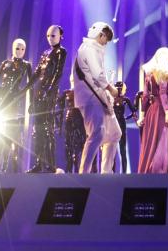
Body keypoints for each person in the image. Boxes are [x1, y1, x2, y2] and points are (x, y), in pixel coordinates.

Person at [72, 21, 120, 173]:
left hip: (98, 97)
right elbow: (97, 74)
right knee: (96, 134)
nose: (106, 43)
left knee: (114, 133)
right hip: (90, 98)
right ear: (101, 35)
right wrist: (111, 89)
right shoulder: (89, 48)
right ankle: (84, 173)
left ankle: (106, 172)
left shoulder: (91, 49)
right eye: (106, 39)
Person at [28, 25, 67, 173]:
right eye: (48, 36)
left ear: (60, 36)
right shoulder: (45, 53)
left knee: (47, 127)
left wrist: (49, 90)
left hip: (49, 94)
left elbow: (58, 73)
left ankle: (51, 165)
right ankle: (39, 163)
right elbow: (37, 72)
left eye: (53, 36)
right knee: (37, 129)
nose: (50, 38)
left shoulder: (61, 52)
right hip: (39, 92)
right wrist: (27, 89)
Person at [0, 38, 33, 173]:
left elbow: (31, 84)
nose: (20, 51)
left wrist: (24, 95)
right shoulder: (5, 63)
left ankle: (6, 165)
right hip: (1, 100)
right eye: (17, 48)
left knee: (10, 134)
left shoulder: (26, 65)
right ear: (12, 48)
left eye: (22, 49)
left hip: (14, 101)